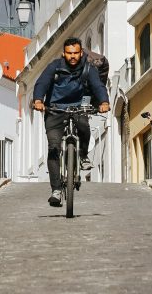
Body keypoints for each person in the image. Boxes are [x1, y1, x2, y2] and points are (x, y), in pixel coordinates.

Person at [32, 37, 110, 207]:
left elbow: (98, 86)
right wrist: (38, 100)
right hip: (55, 109)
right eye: (69, 53)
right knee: (53, 148)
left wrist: (104, 102)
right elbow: (42, 83)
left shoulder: (89, 68)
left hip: (78, 106)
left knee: (83, 126)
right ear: (64, 53)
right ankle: (56, 190)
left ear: (81, 52)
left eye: (76, 53)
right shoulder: (55, 67)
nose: (73, 56)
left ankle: (82, 154)